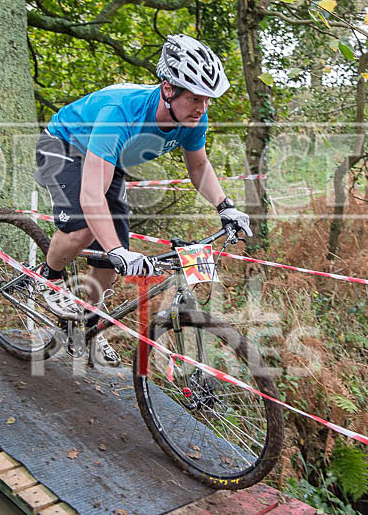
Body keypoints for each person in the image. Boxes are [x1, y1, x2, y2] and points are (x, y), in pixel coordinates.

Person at [34, 34, 252, 367]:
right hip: (63, 145)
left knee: (111, 250)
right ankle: (47, 278)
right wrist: (118, 251)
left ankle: (90, 324)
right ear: (168, 88)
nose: (202, 108)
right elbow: (91, 195)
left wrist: (226, 207)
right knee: (84, 230)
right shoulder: (120, 113)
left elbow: (198, 166)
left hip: (109, 158)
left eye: (207, 99)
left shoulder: (193, 117)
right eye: (195, 98)